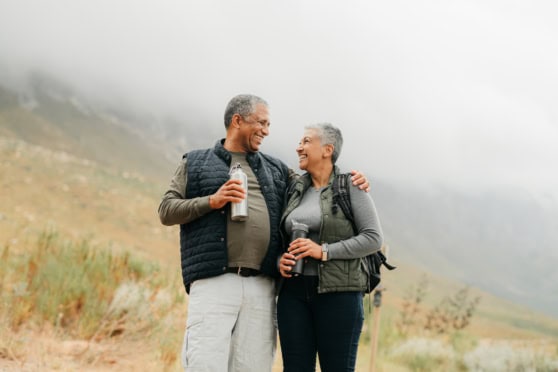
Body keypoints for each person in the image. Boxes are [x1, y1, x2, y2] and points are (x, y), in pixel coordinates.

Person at [158, 95, 370, 372]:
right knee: (204, 363)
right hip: (213, 282)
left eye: (268, 124)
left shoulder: (278, 169)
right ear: (237, 120)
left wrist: (351, 180)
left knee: (254, 366)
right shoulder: (195, 163)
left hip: (263, 285)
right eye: (261, 122)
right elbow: (166, 210)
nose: (266, 130)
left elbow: (318, 183)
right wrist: (213, 200)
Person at [277, 122, 384, 372]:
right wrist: (279, 260)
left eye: (305, 141)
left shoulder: (351, 187)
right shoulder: (294, 189)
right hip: (293, 294)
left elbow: (373, 238)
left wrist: (323, 251)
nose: (298, 147)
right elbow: (280, 238)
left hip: (340, 295)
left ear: (327, 149)